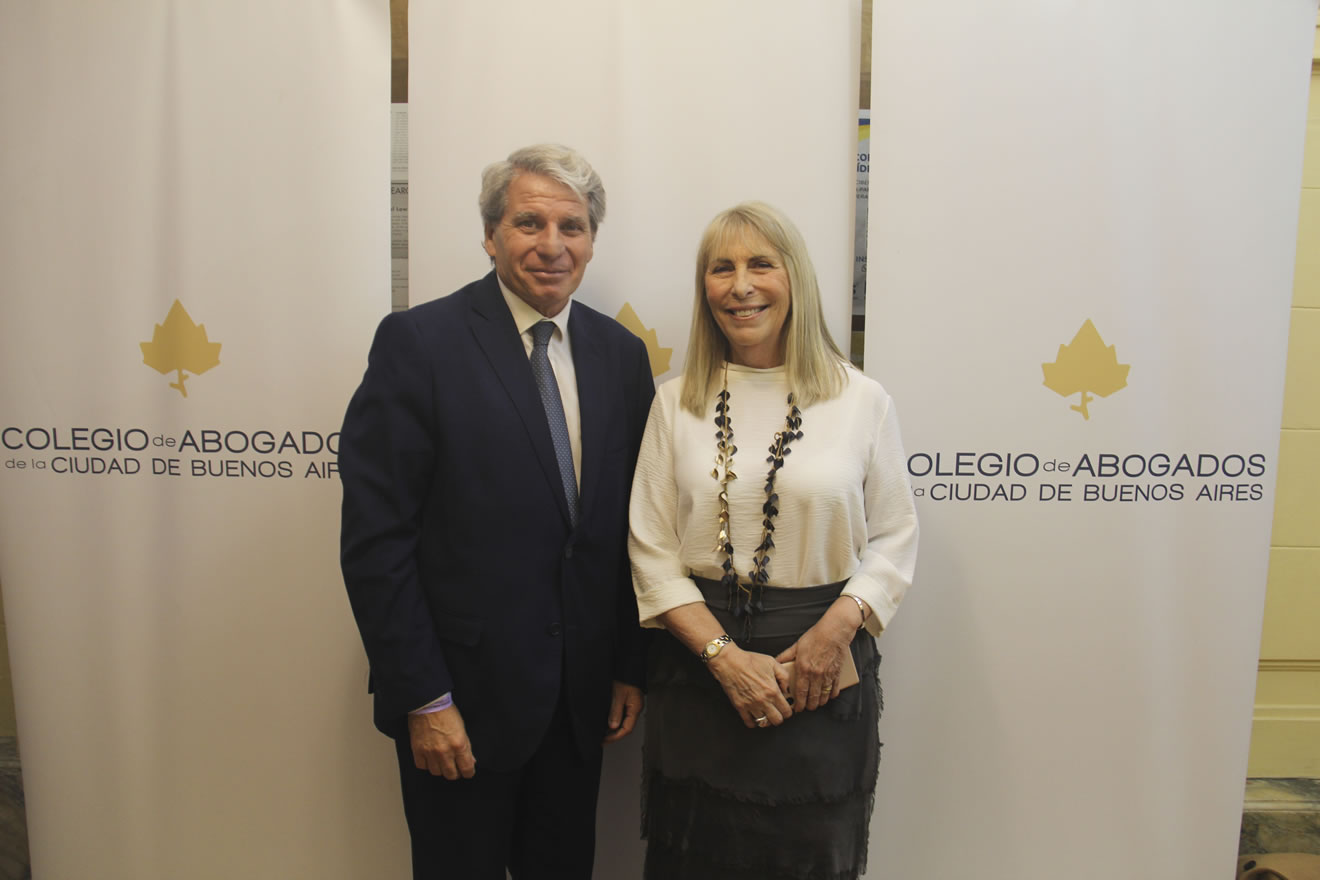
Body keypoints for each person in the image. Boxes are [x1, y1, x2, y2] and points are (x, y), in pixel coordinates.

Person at [339, 143, 655, 879]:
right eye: (529, 223)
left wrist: (627, 665)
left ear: (592, 241)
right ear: (490, 235)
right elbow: (377, 543)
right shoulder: (419, 343)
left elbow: (627, 529)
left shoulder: (620, 355)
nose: (552, 246)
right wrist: (424, 697)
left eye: (572, 227)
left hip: (578, 707)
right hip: (460, 706)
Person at [628, 201, 919, 879]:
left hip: (821, 674)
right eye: (721, 268)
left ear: (796, 279)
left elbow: (895, 536)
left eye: (761, 264)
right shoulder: (675, 402)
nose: (741, 286)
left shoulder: (862, 400)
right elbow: (651, 550)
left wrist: (834, 633)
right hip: (699, 668)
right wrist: (724, 658)